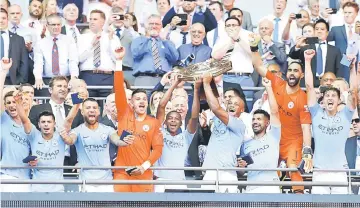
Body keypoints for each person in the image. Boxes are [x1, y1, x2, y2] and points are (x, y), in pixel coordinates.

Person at [251, 37, 312, 194]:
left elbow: (306, 128)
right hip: (275, 139)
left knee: (295, 175)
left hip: (294, 142)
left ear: (302, 75)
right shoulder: (277, 82)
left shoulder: (302, 98)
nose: (292, 73)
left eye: (296, 71)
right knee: (272, 175)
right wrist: (253, 47)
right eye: (290, 70)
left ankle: (300, 203)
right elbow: (258, 65)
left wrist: (307, 150)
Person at [304, 49, 357, 194]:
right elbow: (309, 87)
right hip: (320, 171)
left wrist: (353, 69)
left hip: (340, 171)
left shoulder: (346, 114)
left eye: (334, 95)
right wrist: (307, 62)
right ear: (323, 99)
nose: (330, 98)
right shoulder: (316, 113)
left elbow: (353, 91)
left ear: (340, 100)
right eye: (327, 95)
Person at [113, 47, 164, 192]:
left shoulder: (153, 122)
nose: (141, 101)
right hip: (122, 173)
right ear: (131, 103)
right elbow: (118, 89)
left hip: (143, 174)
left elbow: (158, 149)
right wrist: (118, 61)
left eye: (144, 99)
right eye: (138, 99)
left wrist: (144, 167)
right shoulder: (124, 114)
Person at [14, 88, 84, 192]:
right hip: (37, 188)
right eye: (43, 122)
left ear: (54, 124)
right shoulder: (34, 135)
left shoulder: (60, 136)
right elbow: (24, 120)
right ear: (38, 124)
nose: (46, 124)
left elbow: (69, 119)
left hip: (57, 188)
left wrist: (77, 101)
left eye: (49, 122)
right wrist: (18, 103)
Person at [201, 72, 246, 193]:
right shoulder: (216, 119)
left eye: (236, 104)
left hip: (227, 173)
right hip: (210, 171)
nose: (232, 105)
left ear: (242, 110)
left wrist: (206, 83)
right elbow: (213, 103)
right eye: (230, 103)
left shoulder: (239, 124)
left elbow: (216, 108)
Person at [153, 76, 200, 192]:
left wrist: (196, 90)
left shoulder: (185, 137)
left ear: (181, 123)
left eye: (176, 119)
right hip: (161, 182)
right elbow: (161, 106)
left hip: (180, 182)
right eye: (170, 118)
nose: (173, 120)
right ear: (165, 121)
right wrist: (174, 85)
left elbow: (194, 116)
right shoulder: (160, 132)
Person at [238, 77, 281, 193]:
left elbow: (274, 111)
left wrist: (268, 88)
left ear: (267, 123)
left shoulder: (274, 136)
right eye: (253, 119)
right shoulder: (245, 145)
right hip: (251, 188)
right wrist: (240, 167)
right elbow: (241, 172)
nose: (255, 121)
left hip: (271, 187)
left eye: (259, 119)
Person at [0, 58, 31, 192]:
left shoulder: (32, 125)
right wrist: (3, 71)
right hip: (7, 177)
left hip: (28, 179)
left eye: (15, 102)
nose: (12, 105)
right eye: (9, 103)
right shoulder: (4, 120)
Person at [212, 17, 254, 110]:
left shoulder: (248, 35)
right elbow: (215, 56)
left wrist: (238, 39)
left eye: (234, 25)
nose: (231, 28)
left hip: (244, 77)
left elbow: (253, 52)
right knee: (228, 107)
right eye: (228, 25)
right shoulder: (222, 37)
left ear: (240, 27)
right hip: (227, 77)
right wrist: (230, 42)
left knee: (246, 107)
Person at [78, 9, 121, 98]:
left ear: (103, 22)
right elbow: (78, 59)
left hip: (108, 77)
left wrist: (110, 41)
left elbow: (117, 59)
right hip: (87, 76)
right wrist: (91, 45)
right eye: (90, 19)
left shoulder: (113, 37)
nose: (92, 22)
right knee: (87, 106)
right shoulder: (82, 38)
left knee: (109, 107)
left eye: (95, 19)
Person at [33, 14, 79, 95]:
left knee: (71, 102)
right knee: (46, 105)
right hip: (48, 80)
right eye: (53, 24)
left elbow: (73, 60)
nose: (56, 27)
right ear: (47, 26)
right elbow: (38, 63)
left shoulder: (69, 40)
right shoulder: (41, 43)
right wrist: (38, 78)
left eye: (58, 24)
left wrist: (74, 77)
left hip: (67, 79)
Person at [289, 19, 342, 88]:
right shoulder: (306, 46)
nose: (319, 31)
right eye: (317, 29)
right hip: (307, 84)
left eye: (322, 29)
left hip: (328, 84)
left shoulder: (335, 50)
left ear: (327, 33)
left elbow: (339, 69)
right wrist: (297, 46)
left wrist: (337, 85)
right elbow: (293, 55)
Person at [131, 14, 178, 86]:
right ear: (146, 26)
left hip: (164, 79)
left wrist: (164, 40)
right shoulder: (138, 40)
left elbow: (174, 59)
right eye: (151, 24)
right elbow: (136, 54)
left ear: (161, 26)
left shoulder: (167, 42)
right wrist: (147, 38)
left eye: (157, 24)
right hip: (144, 78)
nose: (154, 26)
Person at [327, 1, 359, 81]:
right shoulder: (335, 29)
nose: (347, 15)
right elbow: (326, 42)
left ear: (356, 13)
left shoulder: (358, 29)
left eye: (350, 12)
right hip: (342, 66)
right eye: (345, 12)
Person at [108, 6, 139, 85]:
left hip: (128, 71)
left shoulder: (131, 33)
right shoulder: (106, 32)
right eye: (115, 16)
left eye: (121, 16)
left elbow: (139, 44)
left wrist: (129, 27)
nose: (118, 19)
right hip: (110, 72)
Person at [0, 8, 29, 85]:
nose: (1, 21)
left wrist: (19, 81)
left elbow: (24, 63)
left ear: (8, 19)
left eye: (3, 18)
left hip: (11, 81)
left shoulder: (19, 39)